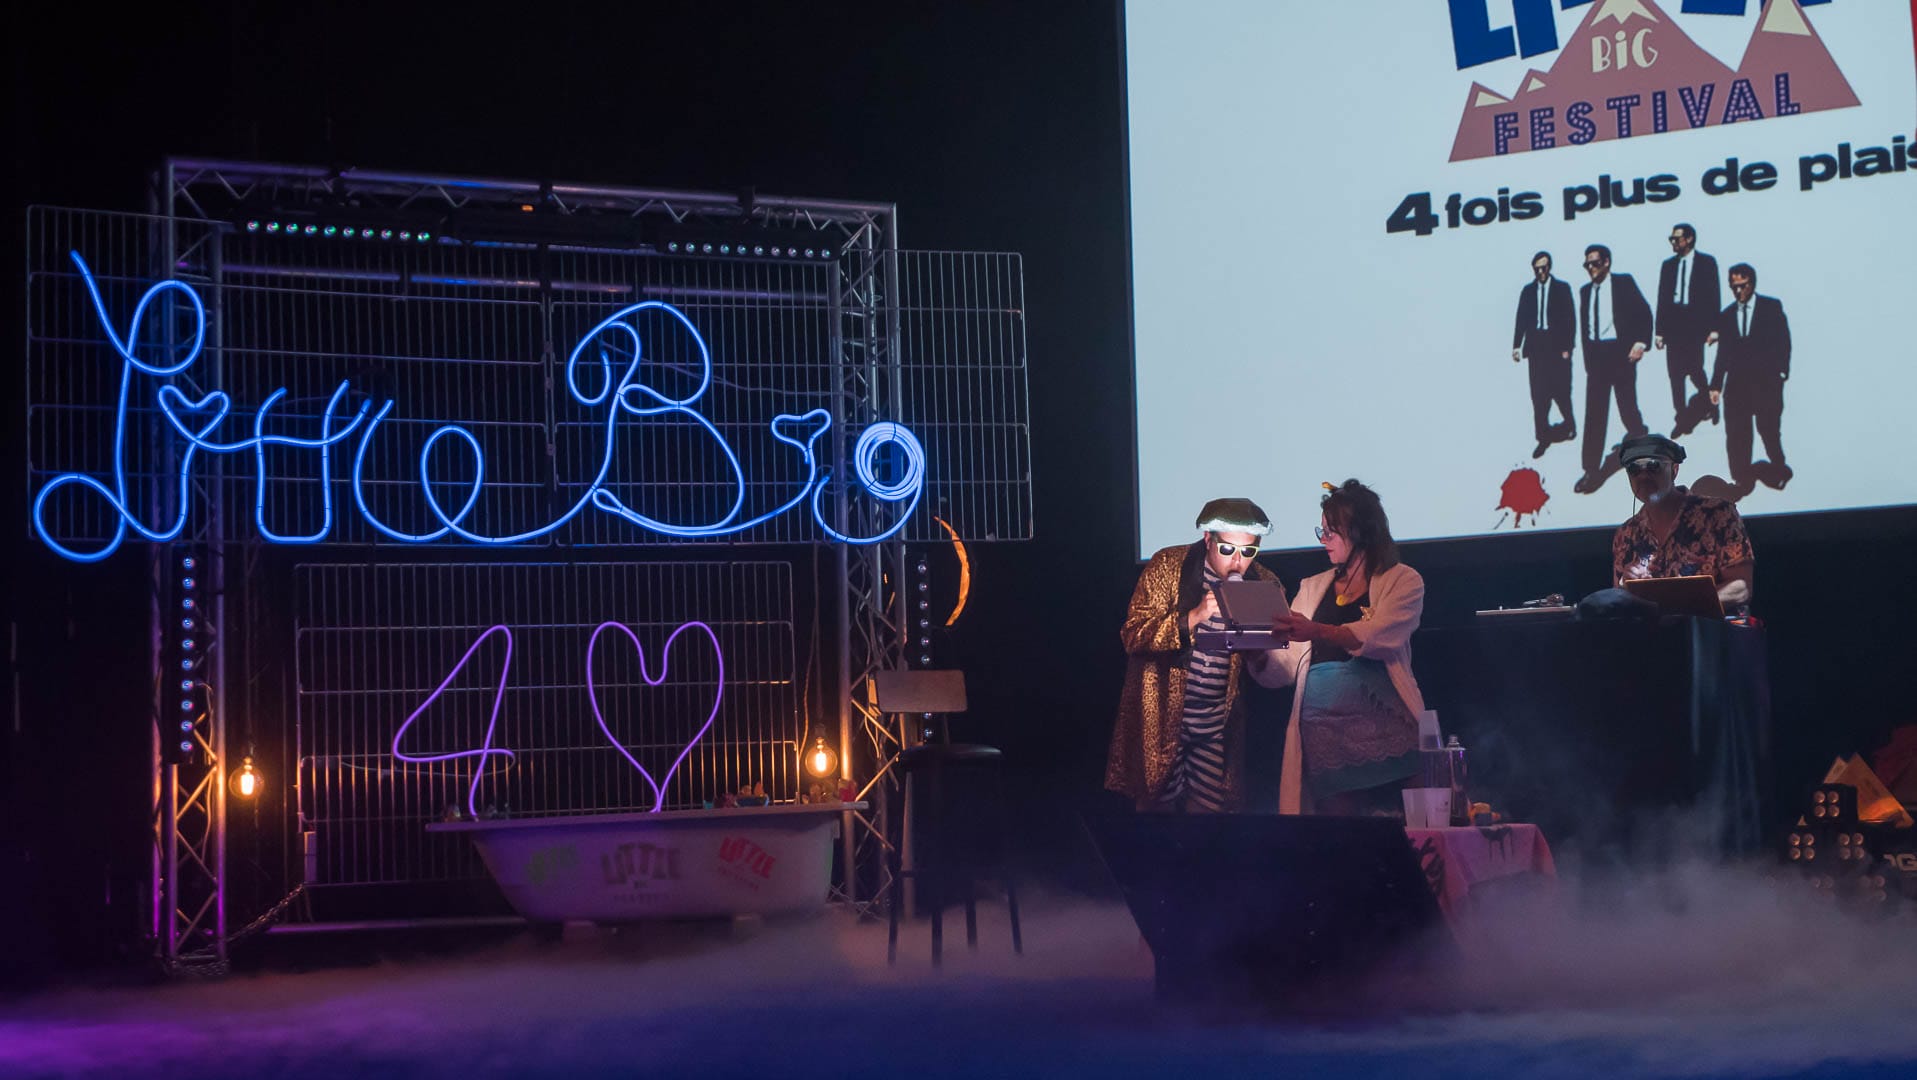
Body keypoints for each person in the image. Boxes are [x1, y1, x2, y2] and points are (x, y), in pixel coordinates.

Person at [1106, 498, 1288, 813]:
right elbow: (1132, 635)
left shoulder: (1264, 583)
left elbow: (1269, 666)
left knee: (1208, 817)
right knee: (1155, 813)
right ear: (1208, 539)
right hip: (1163, 720)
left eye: (1248, 551)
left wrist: (1259, 648)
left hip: (1214, 724)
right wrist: (1193, 617)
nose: (1238, 561)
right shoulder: (1168, 566)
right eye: (1227, 549)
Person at [1259, 481, 1426, 816]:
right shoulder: (1312, 587)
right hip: (1325, 732)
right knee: (1341, 828)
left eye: (1331, 532)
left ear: (1360, 533)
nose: (1323, 540)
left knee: (1413, 823)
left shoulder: (1402, 580)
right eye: (1321, 531)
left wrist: (1318, 630)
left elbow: (1383, 635)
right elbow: (1289, 664)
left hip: (1385, 721)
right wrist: (1257, 652)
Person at [1611, 434, 1755, 613]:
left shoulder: (1718, 515)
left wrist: (1679, 606)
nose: (1643, 476)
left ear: (1674, 470)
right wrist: (1625, 586)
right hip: (1651, 629)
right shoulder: (1626, 533)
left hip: (1710, 627)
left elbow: (1741, 588)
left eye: (1653, 466)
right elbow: (1617, 603)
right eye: (1634, 469)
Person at [1706, 263, 1792, 492]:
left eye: (1742, 286)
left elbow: (1783, 340)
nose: (1738, 291)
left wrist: (1781, 372)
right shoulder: (1727, 315)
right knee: (1737, 433)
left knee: (1769, 429)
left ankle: (1778, 469)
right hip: (1736, 385)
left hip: (1766, 383)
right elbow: (1723, 354)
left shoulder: (1771, 307)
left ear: (1752, 284)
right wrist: (1716, 385)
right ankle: (1742, 479)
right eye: (1733, 287)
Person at [1574, 244, 1652, 494]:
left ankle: (1639, 437)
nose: (1591, 268)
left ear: (1607, 262)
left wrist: (1640, 343)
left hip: (1620, 353)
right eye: (1587, 264)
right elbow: (1585, 328)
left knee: (1627, 405)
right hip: (1597, 357)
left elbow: (1644, 312)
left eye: (1595, 263)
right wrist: (1588, 360)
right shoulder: (1585, 291)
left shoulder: (1623, 283)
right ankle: (1591, 470)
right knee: (1594, 413)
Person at [1654, 224, 1721, 433]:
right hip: (1674, 325)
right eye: (1671, 239)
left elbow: (1714, 295)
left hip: (1695, 325)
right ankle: (1681, 418)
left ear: (1689, 239)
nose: (1673, 243)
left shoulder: (1706, 263)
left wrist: (1714, 328)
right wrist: (1659, 332)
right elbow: (1662, 298)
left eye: (1676, 239)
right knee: (1675, 374)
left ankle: (1710, 402)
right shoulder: (1668, 266)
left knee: (1695, 370)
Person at [1512, 250, 1577, 459]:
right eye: (1537, 269)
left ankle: (1570, 425)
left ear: (1549, 267)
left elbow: (1570, 318)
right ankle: (1542, 437)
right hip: (1536, 348)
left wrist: (1568, 348)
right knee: (1539, 395)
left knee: (1561, 391)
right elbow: (1521, 318)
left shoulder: (1562, 288)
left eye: (1544, 268)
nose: (1540, 272)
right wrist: (1516, 346)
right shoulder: (1528, 291)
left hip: (1557, 347)